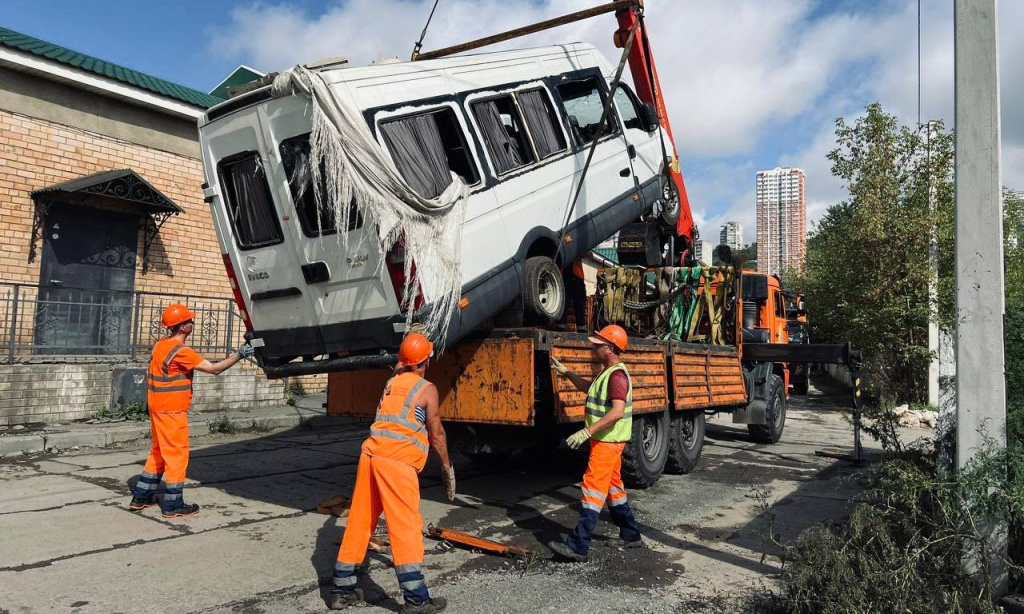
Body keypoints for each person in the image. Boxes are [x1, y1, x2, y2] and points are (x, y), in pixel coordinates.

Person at [330, 332, 456, 613]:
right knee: (405, 527)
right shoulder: (427, 389)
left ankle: (341, 590)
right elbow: (436, 435)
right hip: (397, 463)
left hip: (370, 456)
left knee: (360, 522)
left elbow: (402, 365)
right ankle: (416, 599)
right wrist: (447, 467)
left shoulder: (392, 382)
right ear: (426, 361)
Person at [128, 303, 253, 518]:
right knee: (177, 455)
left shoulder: (161, 346)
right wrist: (239, 355)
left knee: (159, 451)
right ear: (183, 327)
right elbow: (214, 369)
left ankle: (142, 496)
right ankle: (173, 504)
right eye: (190, 321)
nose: (193, 323)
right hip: (172, 411)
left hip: (157, 408)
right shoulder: (182, 352)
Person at [547, 324, 643, 561]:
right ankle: (631, 534)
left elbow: (617, 412)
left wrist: (586, 432)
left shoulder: (617, 376)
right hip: (606, 441)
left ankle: (578, 546)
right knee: (614, 488)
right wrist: (567, 373)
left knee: (592, 490)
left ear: (609, 349)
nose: (592, 347)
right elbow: (590, 389)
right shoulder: (607, 372)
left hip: (608, 442)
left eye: (597, 345)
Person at [561, 259, 588, 331]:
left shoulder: (579, 248)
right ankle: (560, 327)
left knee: (580, 303)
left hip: (577, 277)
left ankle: (581, 329)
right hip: (564, 277)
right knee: (563, 303)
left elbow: (590, 254)